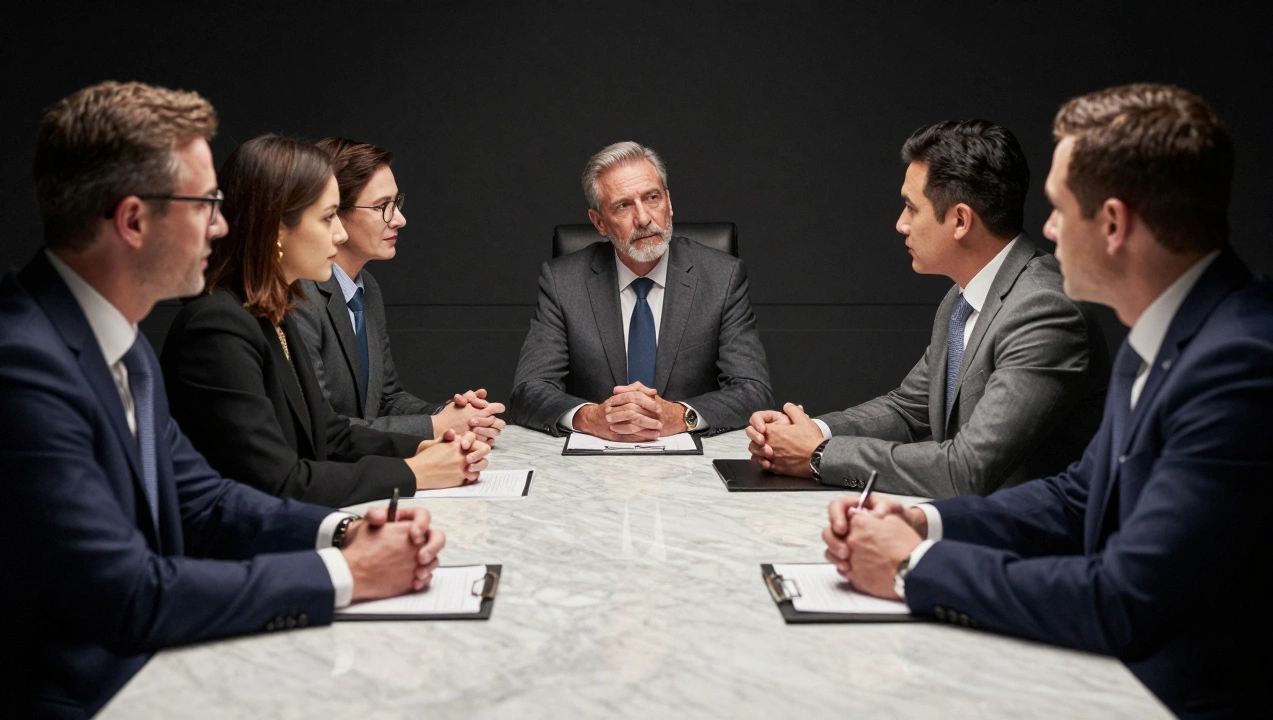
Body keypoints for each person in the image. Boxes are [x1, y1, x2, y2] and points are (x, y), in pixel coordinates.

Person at [823, 84, 1273, 718]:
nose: (1046, 228)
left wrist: (914, 567)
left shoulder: (1241, 362)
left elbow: (1123, 599)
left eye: (1061, 209)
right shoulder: (1167, 329)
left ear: (1114, 224)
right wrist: (923, 523)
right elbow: (1078, 497)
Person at [0, 81, 448, 717]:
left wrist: (347, 530)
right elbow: (129, 595)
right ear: (132, 220)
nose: (223, 223)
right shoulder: (21, 364)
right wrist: (347, 574)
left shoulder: (118, 341)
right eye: (206, 203)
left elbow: (203, 500)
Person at [746, 120, 1110, 498]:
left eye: (910, 207)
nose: (901, 224)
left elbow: (967, 470)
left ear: (960, 220)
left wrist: (819, 454)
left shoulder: (1045, 310)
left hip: (1031, 546)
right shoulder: (961, 298)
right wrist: (808, 432)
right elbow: (907, 410)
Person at [160, 134, 489, 508]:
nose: (341, 232)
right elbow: (280, 482)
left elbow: (327, 435)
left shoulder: (272, 311)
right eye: (329, 216)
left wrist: (428, 446)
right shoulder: (217, 326)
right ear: (277, 228)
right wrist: (416, 472)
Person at [509, 141, 773, 439]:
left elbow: (753, 390)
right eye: (623, 205)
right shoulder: (563, 282)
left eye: (652, 198)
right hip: (594, 466)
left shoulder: (722, 278)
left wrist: (681, 415)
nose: (644, 218)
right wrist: (590, 417)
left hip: (690, 466)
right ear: (599, 223)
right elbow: (528, 392)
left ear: (669, 203)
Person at [293, 138, 506, 443]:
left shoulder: (368, 288)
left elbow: (385, 400)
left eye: (396, 203)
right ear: (333, 211)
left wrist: (453, 416)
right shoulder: (299, 295)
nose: (400, 219)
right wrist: (435, 427)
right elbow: (323, 429)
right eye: (382, 207)